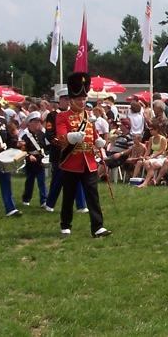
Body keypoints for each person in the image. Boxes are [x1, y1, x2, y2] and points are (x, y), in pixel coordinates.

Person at [55, 72, 111, 237]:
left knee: (93, 196)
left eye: (84, 99)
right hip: (71, 162)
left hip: (88, 161)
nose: (82, 102)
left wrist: (98, 141)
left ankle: (97, 226)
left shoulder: (88, 116)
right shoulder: (62, 116)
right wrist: (71, 138)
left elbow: (92, 134)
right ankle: (65, 224)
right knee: (69, 196)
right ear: (71, 100)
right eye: (79, 99)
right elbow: (60, 136)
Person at [43, 88, 87, 213]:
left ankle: (81, 205)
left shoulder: (76, 114)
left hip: (75, 152)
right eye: (66, 99)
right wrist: (62, 144)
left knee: (77, 178)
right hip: (60, 152)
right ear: (60, 100)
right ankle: (50, 204)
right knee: (58, 179)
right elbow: (50, 134)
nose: (68, 102)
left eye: (70, 99)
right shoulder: (53, 115)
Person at [21, 111, 48, 208]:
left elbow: (46, 147)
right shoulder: (25, 136)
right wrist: (28, 156)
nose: (38, 124)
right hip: (31, 162)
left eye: (38, 122)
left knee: (42, 181)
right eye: (35, 122)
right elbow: (22, 150)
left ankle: (44, 200)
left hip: (40, 160)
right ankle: (26, 198)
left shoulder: (41, 134)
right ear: (30, 123)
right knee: (30, 181)